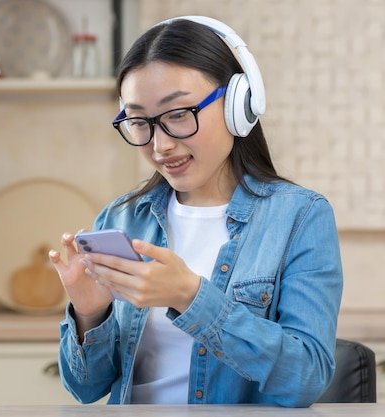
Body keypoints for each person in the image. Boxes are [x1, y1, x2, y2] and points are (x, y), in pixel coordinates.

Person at [48, 16, 343, 407]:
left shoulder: (299, 217)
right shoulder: (121, 218)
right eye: (140, 122)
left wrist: (190, 296)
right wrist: (90, 315)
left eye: (178, 114)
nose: (160, 145)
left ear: (239, 104)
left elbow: (307, 377)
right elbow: (87, 389)